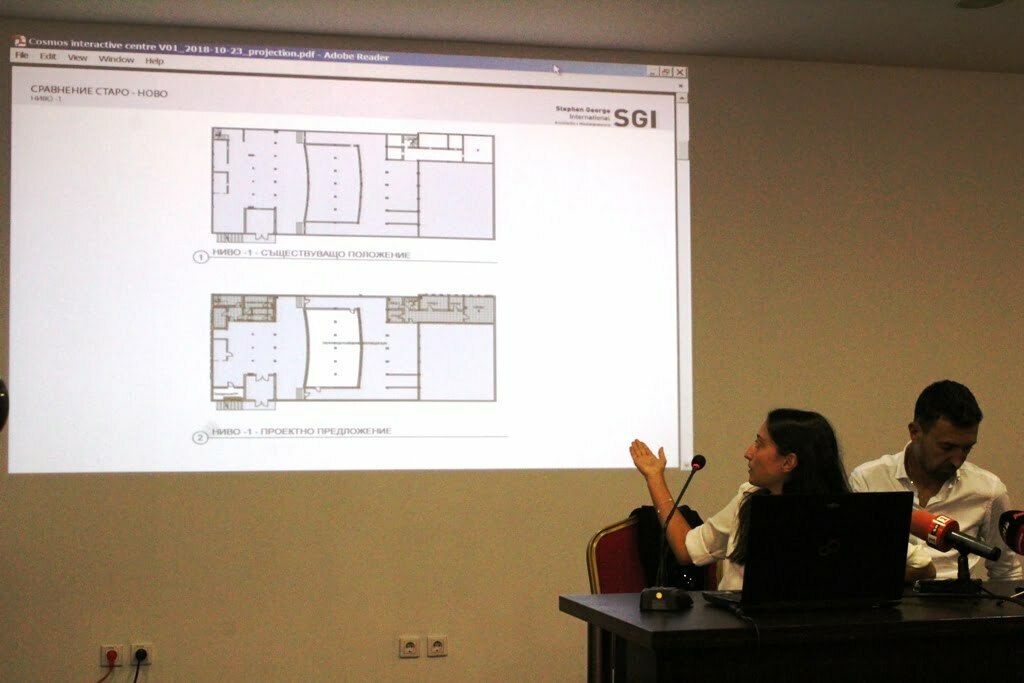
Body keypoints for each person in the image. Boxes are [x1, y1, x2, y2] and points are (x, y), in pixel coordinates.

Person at [630, 408, 850, 590]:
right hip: (736, 625)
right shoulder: (748, 498)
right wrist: (655, 478)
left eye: (760, 444)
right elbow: (687, 549)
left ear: (788, 462)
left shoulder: (842, 517)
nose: (748, 452)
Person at [849, 380, 1023, 581]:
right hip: (889, 596)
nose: (957, 460)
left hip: (959, 598)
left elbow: (1007, 573)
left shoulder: (989, 490)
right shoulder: (867, 480)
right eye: (947, 447)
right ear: (915, 432)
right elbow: (856, 562)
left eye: (967, 448)